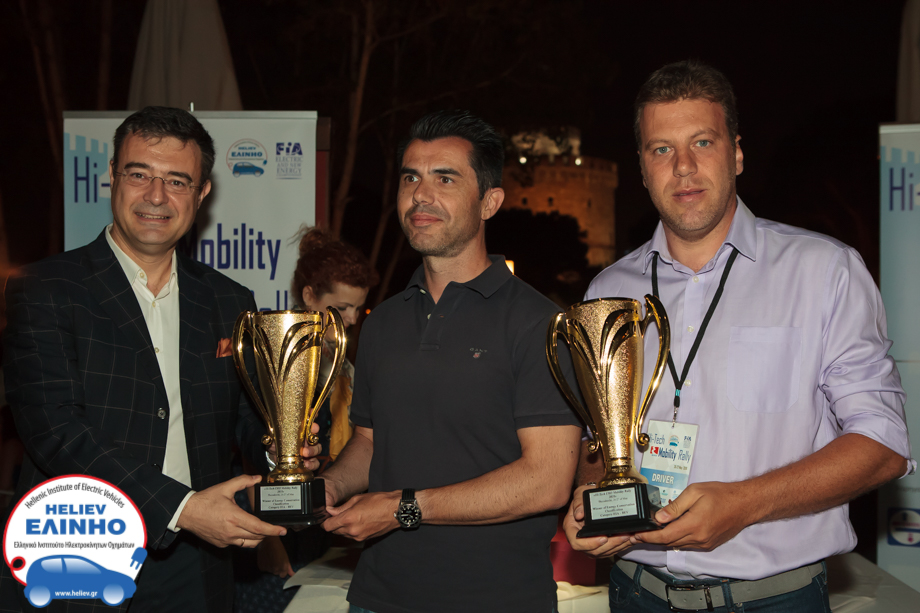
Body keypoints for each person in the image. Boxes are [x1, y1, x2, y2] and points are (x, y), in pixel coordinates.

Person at [563, 60, 915, 612]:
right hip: (637, 593)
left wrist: (744, 503)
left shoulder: (824, 270)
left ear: (737, 154)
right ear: (642, 167)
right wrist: (588, 495)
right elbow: (599, 440)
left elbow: (884, 444)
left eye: (702, 142)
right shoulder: (609, 290)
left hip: (773, 599)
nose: (683, 166)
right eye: (661, 149)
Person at [0, 106, 318, 613]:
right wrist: (181, 507)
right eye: (139, 174)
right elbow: (55, 431)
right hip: (78, 551)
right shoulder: (45, 288)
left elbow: (247, 420)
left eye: (176, 181)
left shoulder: (229, 299)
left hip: (198, 564)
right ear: (112, 176)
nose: (155, 196)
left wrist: (285, 452)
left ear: (201, 193)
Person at [313, 110, 583, 613]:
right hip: (378, 598)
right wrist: (329, 483)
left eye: (445, 178)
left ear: (490, 202)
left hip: (497, 602)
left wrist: (404, 508)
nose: (421, 194)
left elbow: (547, 481)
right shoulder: (382, 323)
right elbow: (370, 443)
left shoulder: (538, 323)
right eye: (410, 178)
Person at [234, 227, 377, 613]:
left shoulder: (341, 364)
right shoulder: (273, 354)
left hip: (318, 525)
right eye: (341, 308)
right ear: (310, 296)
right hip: (270, 527)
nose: (351, 320)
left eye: (357, 309)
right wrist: (268, 539)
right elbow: (250, 447)